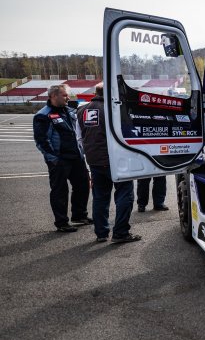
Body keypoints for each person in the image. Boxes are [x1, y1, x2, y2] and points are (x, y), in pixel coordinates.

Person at [76, 83, 141, 243]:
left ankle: (101, 233)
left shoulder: (82, 110)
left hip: (94, 160)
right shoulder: (114, 109)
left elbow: (79, 137)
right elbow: (127, 134)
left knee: (100, 197)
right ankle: (120, 232)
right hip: (116, 159)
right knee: (125, 194)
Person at [33, 84, 92, 232]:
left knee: (83, 186)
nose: (68, 98)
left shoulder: (70, 111)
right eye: (64, 95)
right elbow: (41, 141)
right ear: (53, 96)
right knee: (60, 191)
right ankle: (61, 222)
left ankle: (79, 215)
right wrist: (53, 159)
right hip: (59, 160)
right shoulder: (43, 115)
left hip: (76, 157)